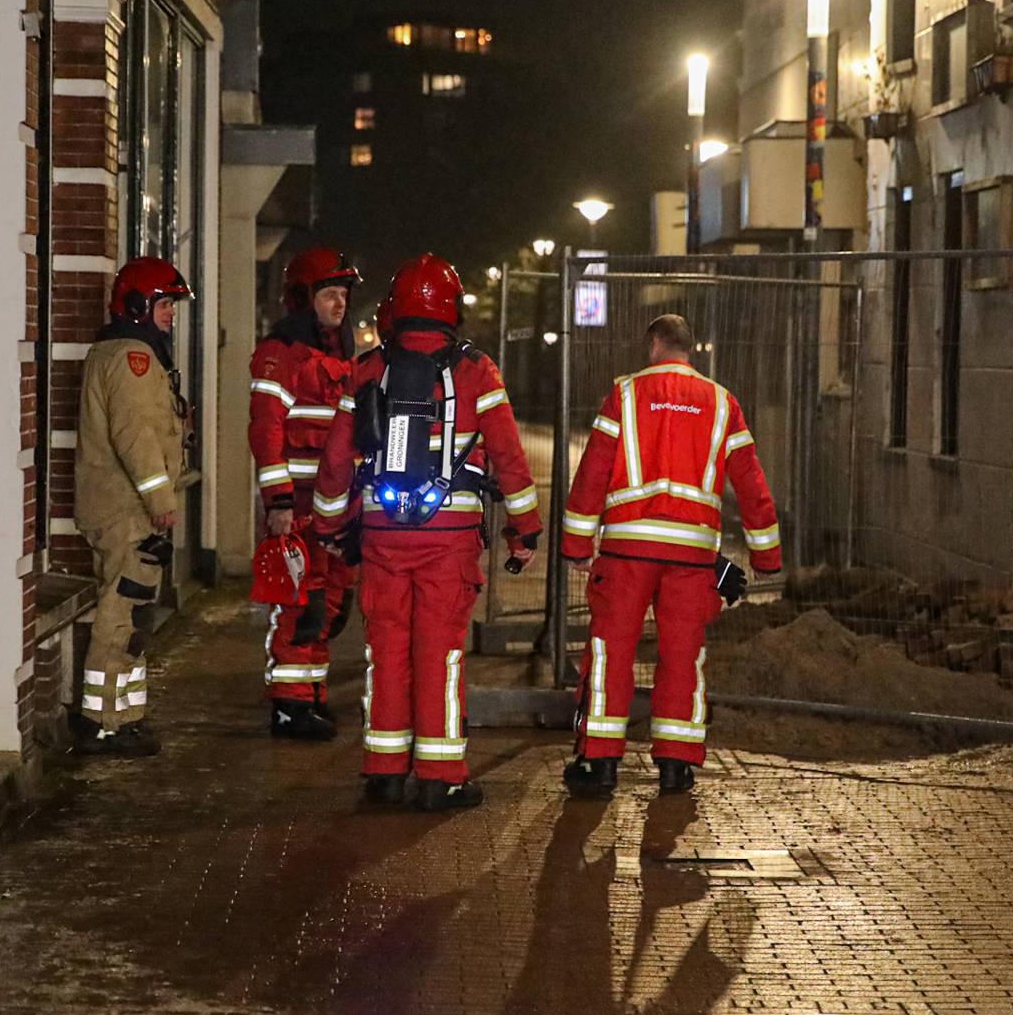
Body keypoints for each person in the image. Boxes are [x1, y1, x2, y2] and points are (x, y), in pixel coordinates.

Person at [313, 254, 542, 811]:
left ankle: (385, 770)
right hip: (449, 539)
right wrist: (524, 531)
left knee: (387, 648)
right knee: (440, 653)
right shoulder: (476, 371)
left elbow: (337, 458)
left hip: (383, 534)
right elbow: (509, 457)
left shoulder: (368, 368)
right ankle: (440, 776)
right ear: (452, 309)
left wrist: (328, 524)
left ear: (393, 309)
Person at [559, 313, 782, 797]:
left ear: (655, 343)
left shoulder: (625, 393)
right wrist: (766, 554)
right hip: (692, 557)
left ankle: (600, 765)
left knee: (610, 653)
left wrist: (577, 544)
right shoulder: (722, 402)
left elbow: (594, 469)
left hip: (626, 552)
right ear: (690, 348)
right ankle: (677, 766)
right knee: (682, 657)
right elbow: (750, 481)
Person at [73, 256, 192, 757]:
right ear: (140, 305)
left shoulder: (125, 352)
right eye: (164, 305)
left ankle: (125, 715)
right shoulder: (131, 358)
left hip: (124, 506)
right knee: (120, 614)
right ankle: (102, 721)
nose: (170, 315)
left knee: (133, 615)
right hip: (128, 510)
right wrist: (161, 499)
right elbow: (136, 436)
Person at [249, 247, 362, 739]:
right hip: (296, 507)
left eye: (343, 295)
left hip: (334, 508)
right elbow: (266, 430)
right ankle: (289, 706)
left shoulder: (341, 354)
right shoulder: (281, 354)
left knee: (332, 605)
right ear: (304, 297)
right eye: (329, 294)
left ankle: (310, 695)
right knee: (302, 605)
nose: (339, 304)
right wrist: (276, 502)